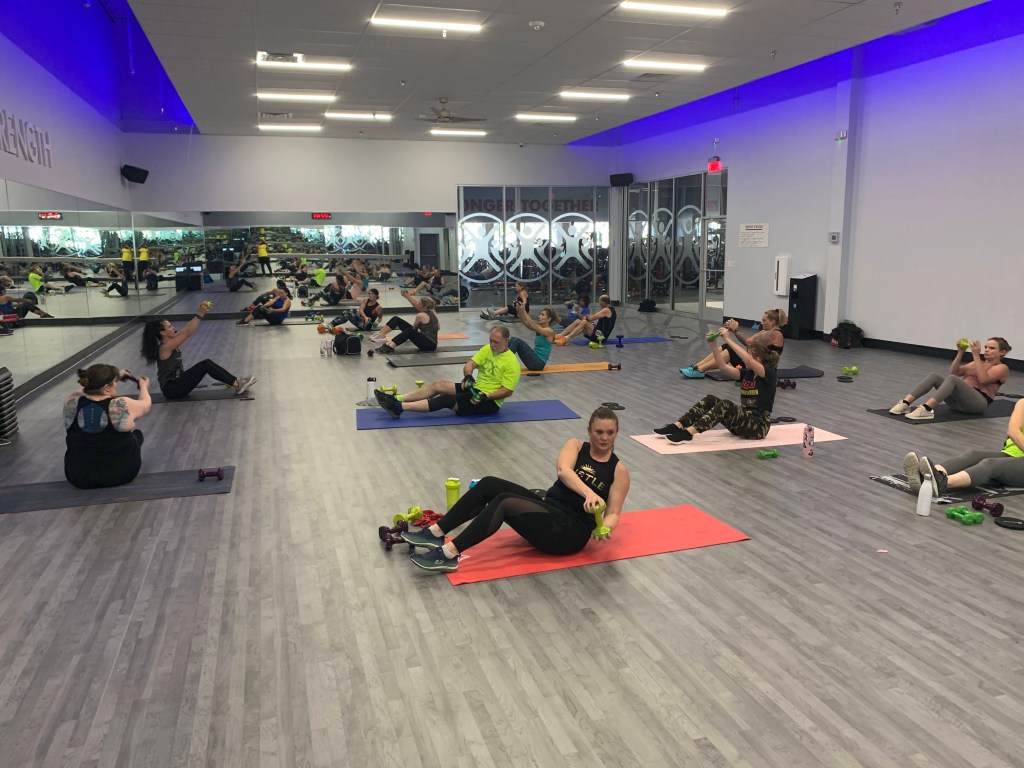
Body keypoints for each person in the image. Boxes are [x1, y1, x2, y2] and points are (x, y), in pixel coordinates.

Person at [400, 406, 630, 573]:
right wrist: (588, 492)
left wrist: (606, 527)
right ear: (589, 430)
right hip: (550, 510)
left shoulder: (618, 471)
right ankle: (435, 533)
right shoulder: (576, 446)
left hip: (570, 533)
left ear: (616, 434)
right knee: (489, 483)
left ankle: (448, 554)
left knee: (505, 501)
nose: (604, 438)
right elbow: (563, 471)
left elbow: (613, 513)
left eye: (610, 433)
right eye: (599, 432)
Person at [653, 327, 778, 442]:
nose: (745, 357)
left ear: (758, 359)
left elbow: (748, 360)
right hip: (742, 423)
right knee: (710, 399)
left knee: (726, 404)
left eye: (749, 353)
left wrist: (727, 339)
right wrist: (713, 346)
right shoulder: (748, 374)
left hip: (758, 427)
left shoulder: (768, 373)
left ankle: (688, 433)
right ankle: (678, 425)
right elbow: (723, 367)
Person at [375, 325, 520, 419]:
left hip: (489, 402)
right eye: (490, 340)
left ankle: (398, 407)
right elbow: (470, 364)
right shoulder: (486, 349)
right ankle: (398, 398)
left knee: (446, 399)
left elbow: (507, 391)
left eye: (496, 342)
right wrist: (468, 375)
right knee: (439, 384)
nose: (492, 345)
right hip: (475, 388)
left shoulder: (512, 362)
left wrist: (486, 396)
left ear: (506, 341)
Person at [902, 398, 1024, 498]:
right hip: (1013, 454)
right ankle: (927, 475)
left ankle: (942, 483)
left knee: (991, 464)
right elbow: (1013, 431)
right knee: (973, 455)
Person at [141, 301, 257, 398]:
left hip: (177, 383)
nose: (173, 328)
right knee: (205, 364)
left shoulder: (170, 342)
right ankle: (237, 384)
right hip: (172, 389)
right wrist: (200, 315)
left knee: (206, 364)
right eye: (170, 327)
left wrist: (200, 313)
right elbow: (188, 333)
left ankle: (236, 381)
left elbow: (186, 329)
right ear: (162, 333)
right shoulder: (165, 347)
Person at [63, 364, 152, 488]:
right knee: (134, 433)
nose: (115, 384)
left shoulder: (70, 403)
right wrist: (143, 387)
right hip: (122, 474)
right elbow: (146, 404)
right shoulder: (120, 406)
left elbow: (84, 389)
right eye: (114, 382)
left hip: (78, 477)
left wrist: (115, 376)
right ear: (106, 387)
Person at [888, 337, 1011, 420]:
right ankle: (905, 403)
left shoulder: (1002, 368)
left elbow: (983, 379)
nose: (987, 350)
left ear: (1002, 352)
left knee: (952, 379)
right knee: (935, 376)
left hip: (978, 404)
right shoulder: (976, 363)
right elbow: (954, 373)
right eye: (986, 347)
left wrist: (975, 355)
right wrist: (960, 352)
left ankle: (927, 409)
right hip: (958, 403)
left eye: (992, 348)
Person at [680, 309, 787, 378]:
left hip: (761, 369)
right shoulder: (765, 331)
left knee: (731, 350)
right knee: (726, 346)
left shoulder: (775, 334)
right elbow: (749, 340)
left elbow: (748, 343)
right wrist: (732, 328)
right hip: (755, 363)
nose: (762, 322)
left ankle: (700, 370)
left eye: (764, 320)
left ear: (773, 322)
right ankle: (697, 366)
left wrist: (735, 329)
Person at [369, 292, 439, 354]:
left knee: (409, 331)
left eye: (419, 304)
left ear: (425, 306)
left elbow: (414, 329)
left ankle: (390, 346)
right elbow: (438, 327)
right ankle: (381, 335)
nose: (418, 305)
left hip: (428, 345)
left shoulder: (420, 315)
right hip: (430, 342)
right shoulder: (433, 312)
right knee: (396, 319)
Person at [509, 303, 559, 371]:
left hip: (538, 363)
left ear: (549, 319)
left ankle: (502, 361)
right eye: (540, 314)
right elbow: (524, 321)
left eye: (542, 315)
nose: (539, 316)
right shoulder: (540, 328)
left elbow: (534, 325)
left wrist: (524, 310)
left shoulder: (549, 331)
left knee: (516, 341)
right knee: (513, 339)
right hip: (535, 360)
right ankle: (500, 358)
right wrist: (519, 310)